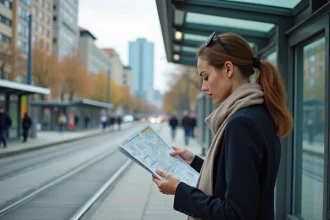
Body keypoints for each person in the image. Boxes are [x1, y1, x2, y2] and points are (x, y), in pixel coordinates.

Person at [152, 32, 293, 220]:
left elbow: (235, 213)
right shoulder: (258, 111)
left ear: (228, 69)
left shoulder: (241, 123)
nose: (203, 86)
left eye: (205, 76)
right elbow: (236, 182)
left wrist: (180, 191)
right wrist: (194, 161)